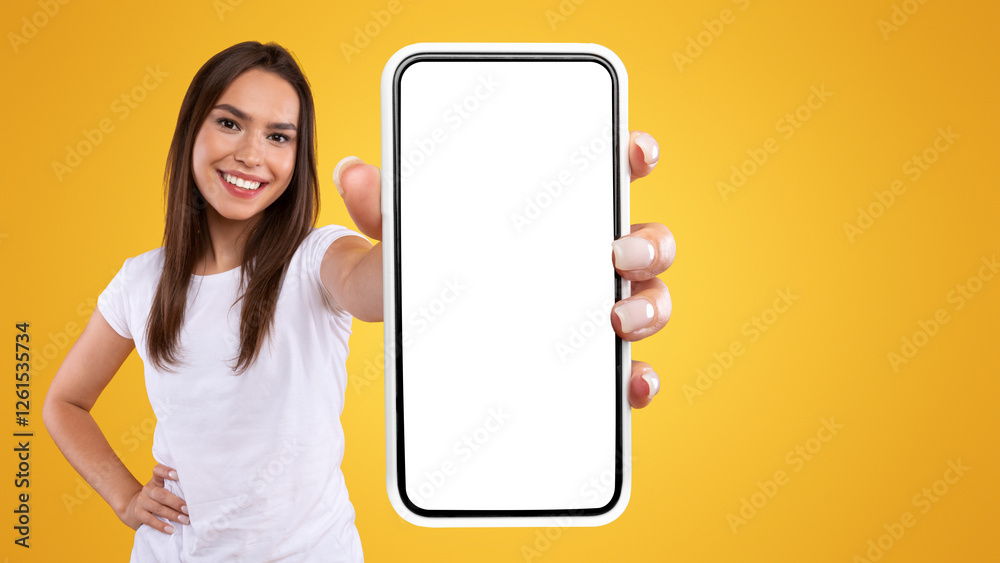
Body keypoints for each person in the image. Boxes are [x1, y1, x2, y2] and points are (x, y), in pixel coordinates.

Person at [42, 41, 675, 562]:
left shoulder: (318, 256)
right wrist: (124, 497)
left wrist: (443, 232)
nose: (251, 154)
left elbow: (375, 288)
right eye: (230, 122)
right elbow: (63, 402)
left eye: (279, 137)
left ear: (299, 155)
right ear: (192, 131)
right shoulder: (140, 281)